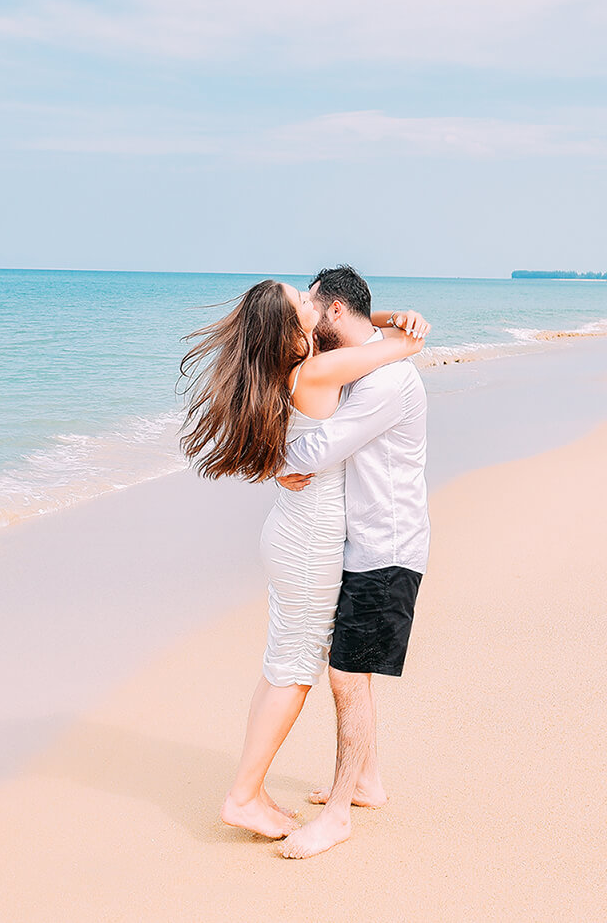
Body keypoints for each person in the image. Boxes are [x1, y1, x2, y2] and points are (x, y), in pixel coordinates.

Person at [179, 277, 430, 840]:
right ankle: (243, 795)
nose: (312, 307)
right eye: (303, 304)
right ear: (294, 330)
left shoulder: (300, 366)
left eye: (316, 300)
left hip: (297, 532)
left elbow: (359, 333)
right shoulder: (317, 370)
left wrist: (383, 313)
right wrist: (402, 323)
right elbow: (403, 346)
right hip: (313, 537)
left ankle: (266, 789)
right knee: (296, 669)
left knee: (283, 662)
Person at [272, 264, 430, 860]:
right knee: (353, 669)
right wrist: (393, 321)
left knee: (345, 674)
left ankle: (338, 813)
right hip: (366, 541)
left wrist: (271, 460)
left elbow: (320, 448)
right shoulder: (373, 364)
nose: (309, 323)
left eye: (314, 311)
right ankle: (367, 782)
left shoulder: (387, 381)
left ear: (336, 311)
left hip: (387, 548)